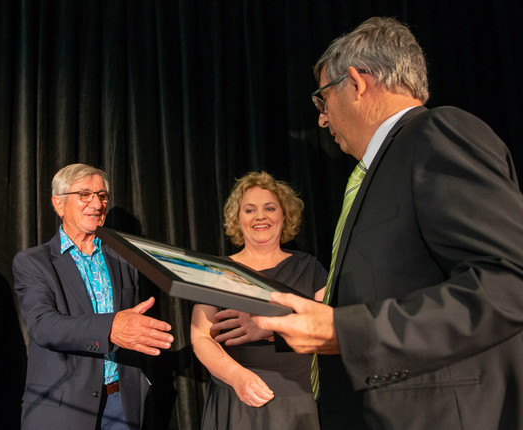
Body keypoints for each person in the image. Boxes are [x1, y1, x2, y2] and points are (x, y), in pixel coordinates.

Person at [252, 17, 523, 429]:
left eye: (323, 100)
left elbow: (509, 283)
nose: (323, 120)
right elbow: (396, 287)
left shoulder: (438, 132)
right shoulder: (379, 167)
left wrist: (348, 331)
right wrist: (286, 321)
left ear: (357, 83)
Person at [13, 163, 173, 430]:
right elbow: (43, 325)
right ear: (59, 204)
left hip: (122, 402)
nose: (96, 204)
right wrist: (111, 328)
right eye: (85, 195)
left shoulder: (124, 257)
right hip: (63, 405)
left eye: (102, 196)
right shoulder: (33, 262)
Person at [191, 172, 325, 429]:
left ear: (284, 214)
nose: (260, 216)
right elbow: (201, 338)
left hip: (297, 398)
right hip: (235, 398)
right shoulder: (217, 271)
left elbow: (329, 327)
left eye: (269, 208)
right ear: (237, 219)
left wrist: (272, 328)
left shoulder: (310, 267)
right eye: (249, 209)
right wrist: (236, 377)